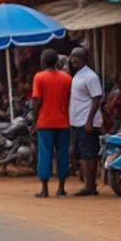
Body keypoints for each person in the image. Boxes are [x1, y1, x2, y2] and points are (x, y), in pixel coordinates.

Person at [29, 48, 73, 198]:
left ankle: (45, 189)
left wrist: (34, 121)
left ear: (43, 62)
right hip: (63, 121)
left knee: (45, 154)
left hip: (45, 122)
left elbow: (36, 100)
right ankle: (61, 188)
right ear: (56, 62)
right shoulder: (67, 78)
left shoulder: (39, 77)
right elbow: (68, 100)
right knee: (62, 154)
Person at [67, 47, 104, 196]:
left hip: (86, 121)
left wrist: (89, 121)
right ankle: (88, 184)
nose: (71, 60)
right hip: (76, 121)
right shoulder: (78, 75)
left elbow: (96, 98)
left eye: (73, 57)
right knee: (81, 153)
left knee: (89, 154)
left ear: (79, 58)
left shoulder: (90, 76)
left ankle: (90, 185)